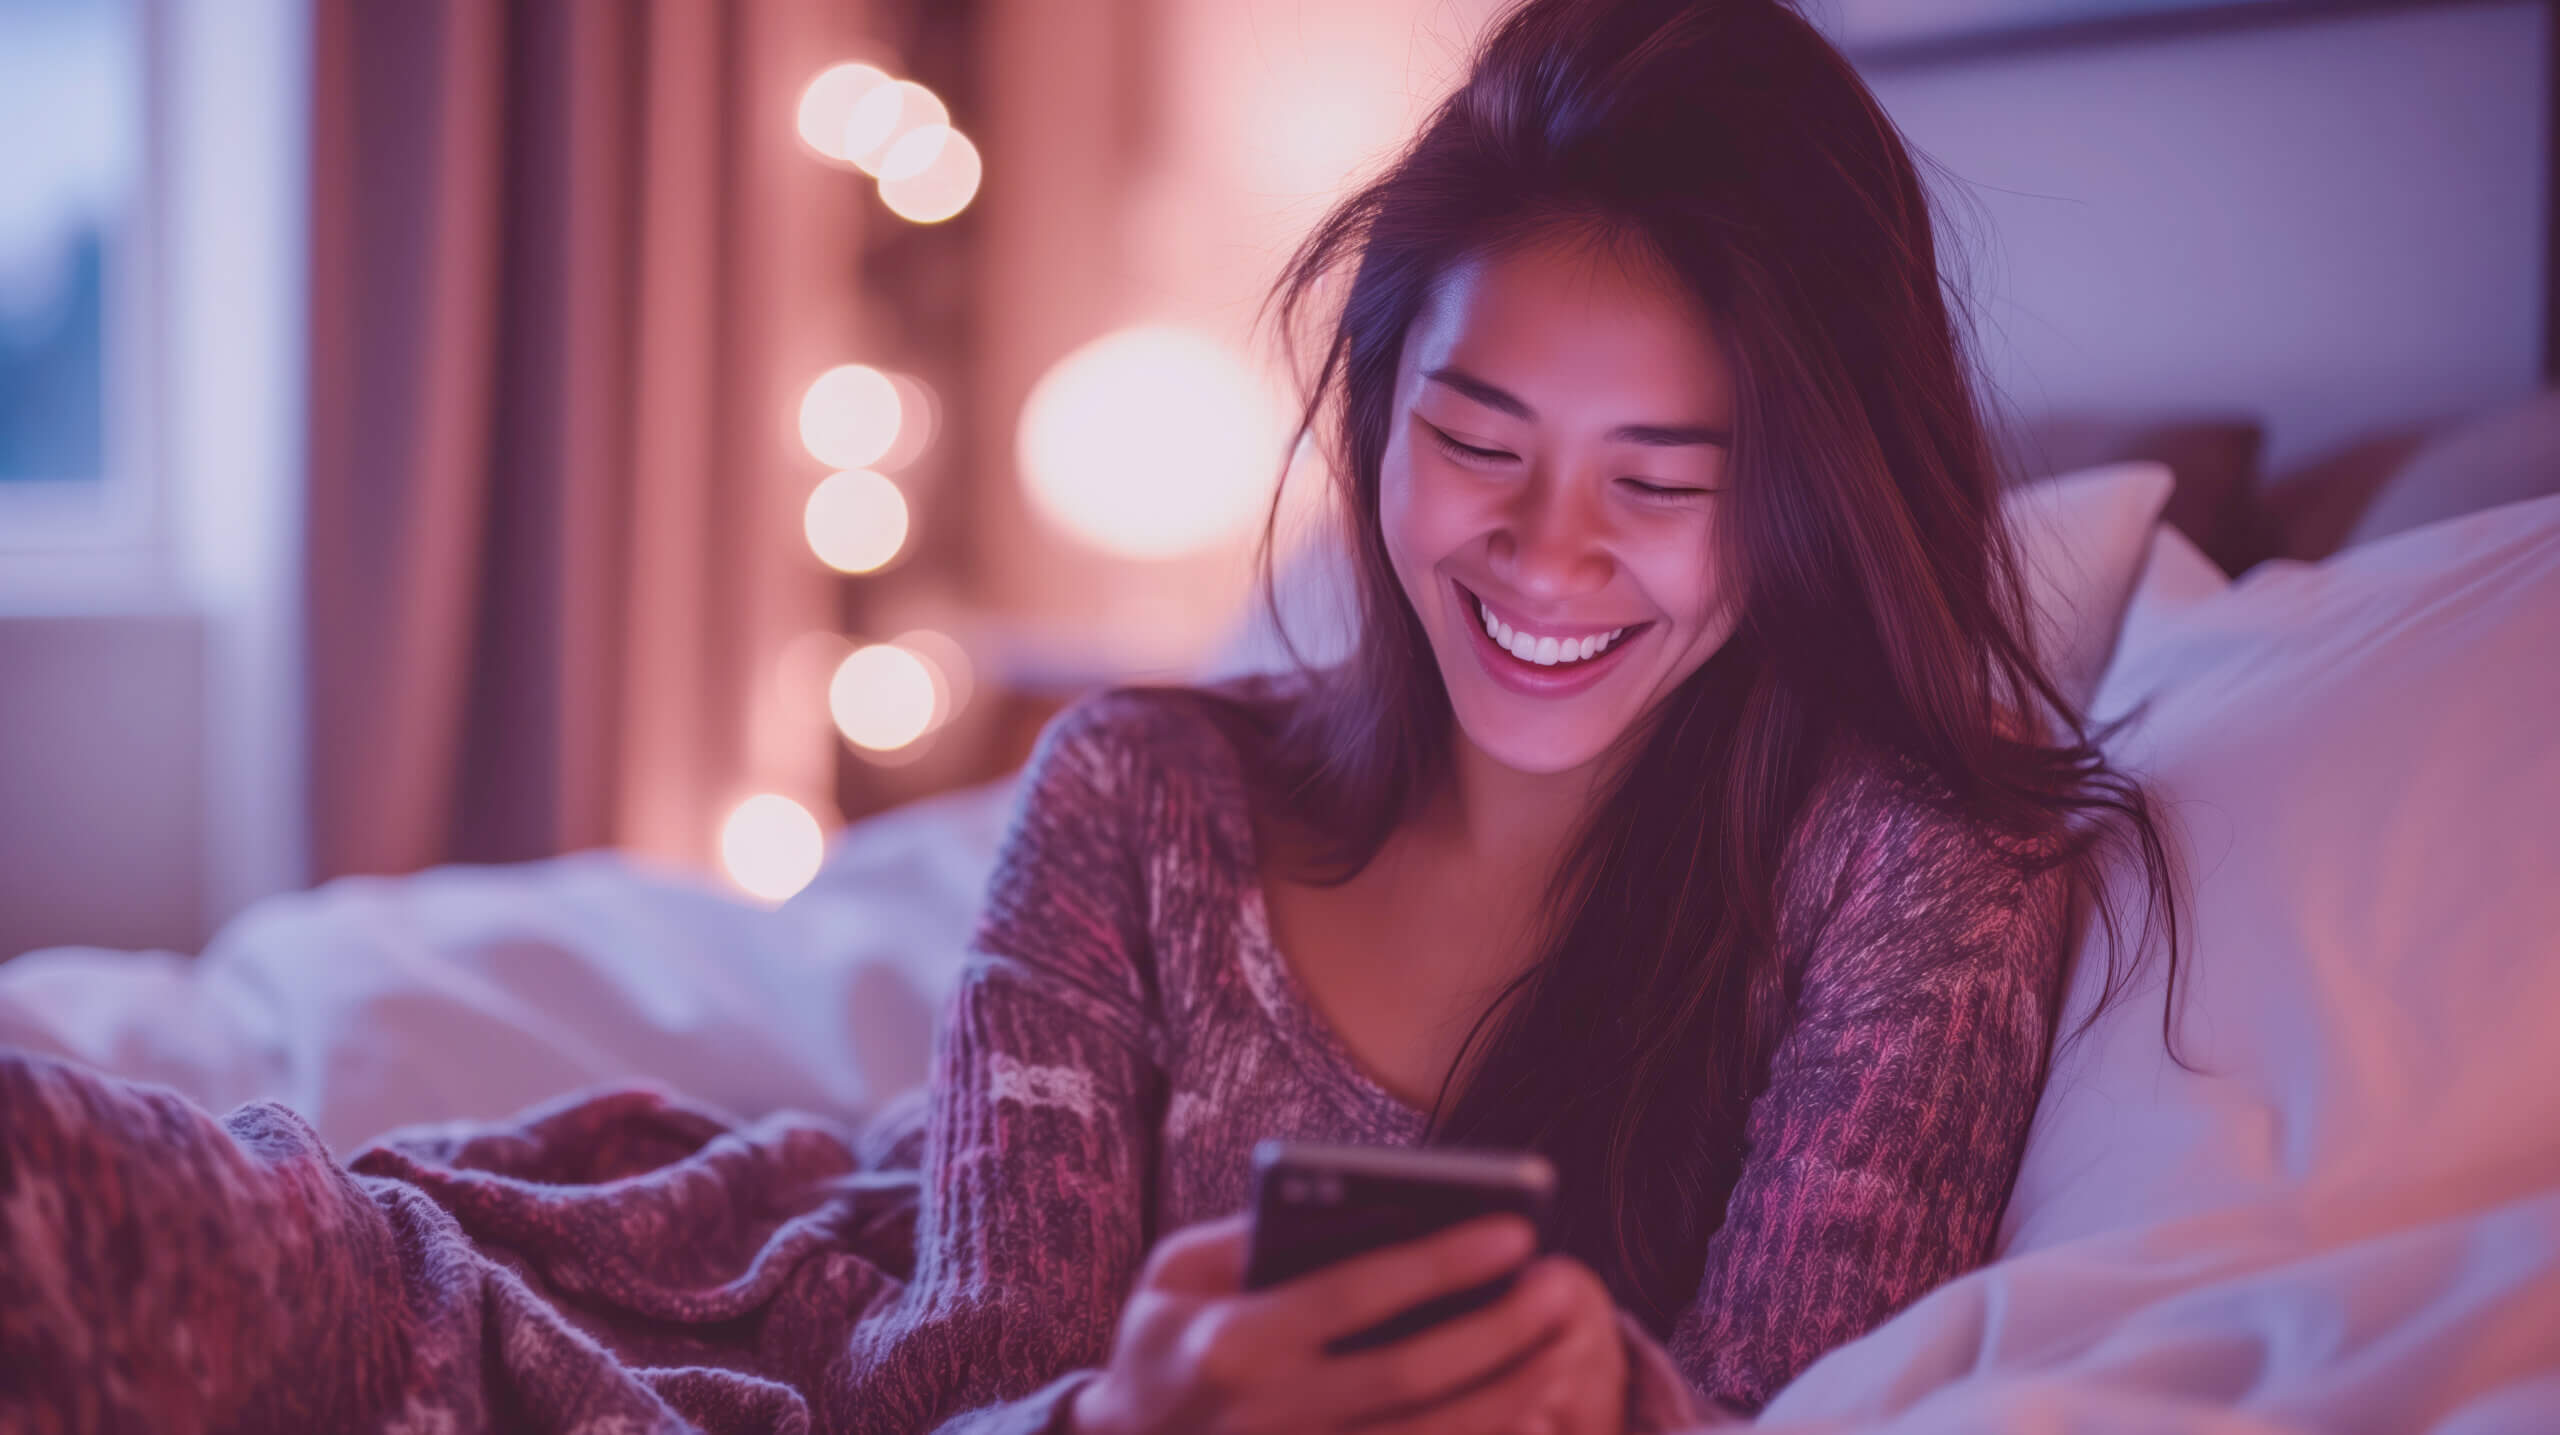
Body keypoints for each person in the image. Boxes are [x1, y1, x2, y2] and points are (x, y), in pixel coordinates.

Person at [0, 1, 2178, 1431]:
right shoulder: (1147, 786)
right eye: (1473, 436)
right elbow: (972, 1356)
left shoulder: (1915, 873)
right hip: (646, 1340)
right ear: (1373, 414)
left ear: (1795, 496)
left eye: (1662, 482)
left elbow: (1793, 1385)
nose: (1541, 552)